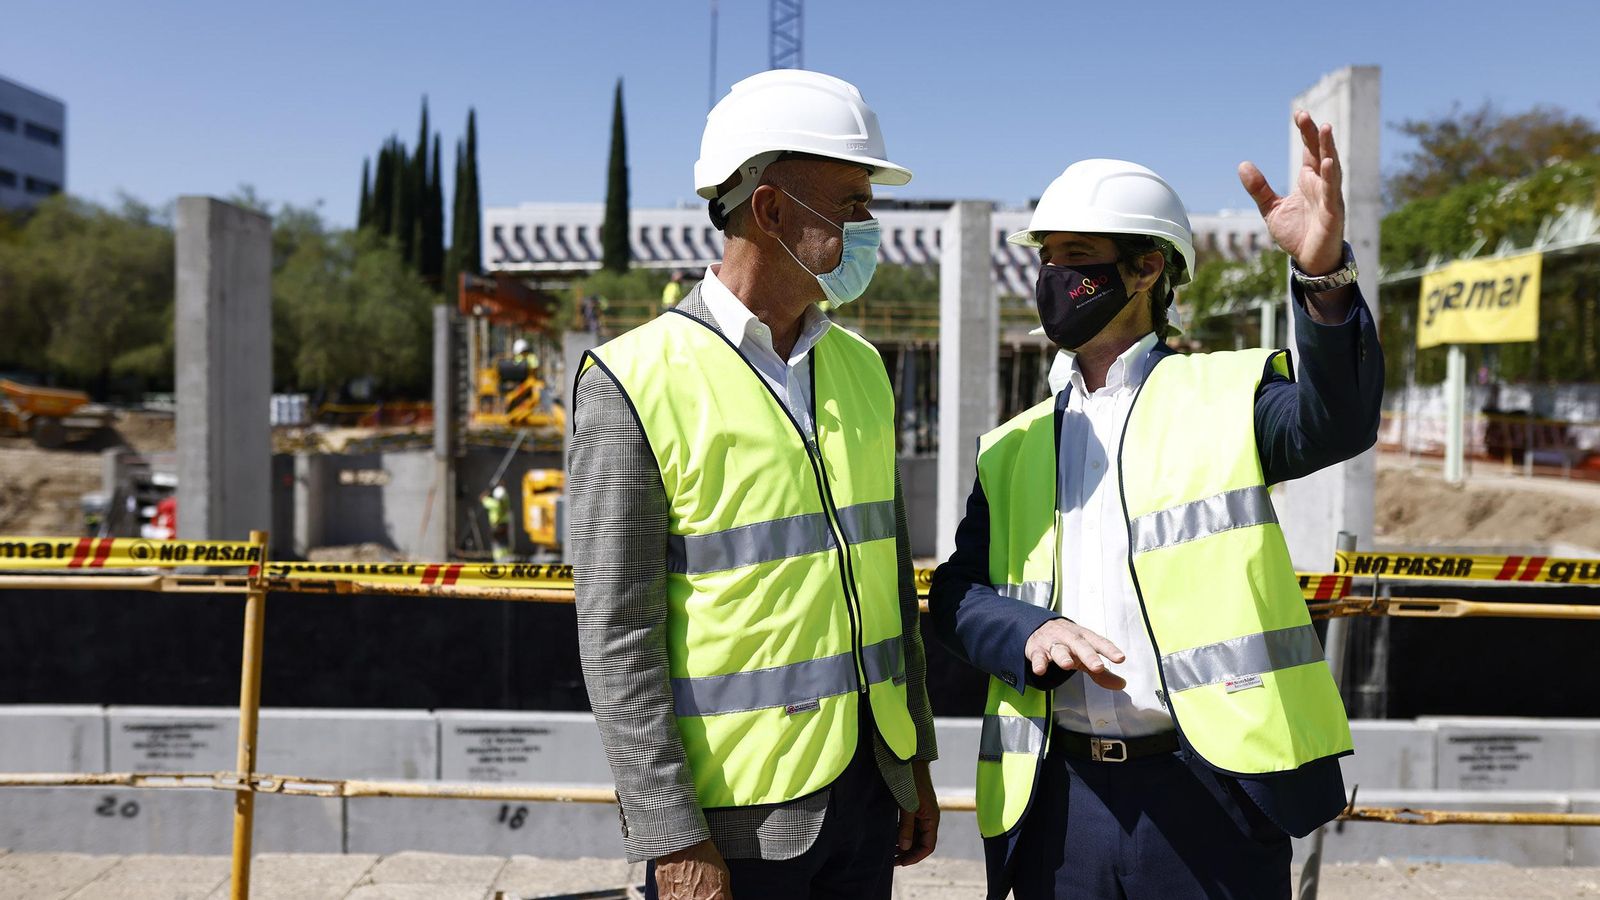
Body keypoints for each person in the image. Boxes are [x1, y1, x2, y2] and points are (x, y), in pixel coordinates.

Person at [929, 113, 1384, 900]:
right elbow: (957, 597)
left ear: (1145, 271)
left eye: (1075, 259)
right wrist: (1029, 629)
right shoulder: (1012, 444)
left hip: (1208, 795)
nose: (1051, 278)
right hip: (1059, 801)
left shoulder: (1227, 395)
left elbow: (1334, 422)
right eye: (1046, 259)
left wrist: (1325, 277)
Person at [570, 69, 939, 900]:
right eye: (851, 202)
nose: (869, 226)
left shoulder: (861, 369)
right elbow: (617, 636)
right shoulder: (632, 380)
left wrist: (910, 752)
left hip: (867, 795)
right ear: (770, 210)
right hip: (735, 826)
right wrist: (672, 836)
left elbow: (885, 578)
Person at [480, 484, 511, 563]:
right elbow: (505, 494)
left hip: (496, 526)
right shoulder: (506, 502)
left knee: (497, 544)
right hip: (505, 525)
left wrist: (488, 491)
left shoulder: (494, 504)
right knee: (504, 544)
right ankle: (505, 559)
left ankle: (498, 560)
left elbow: (482, 498)